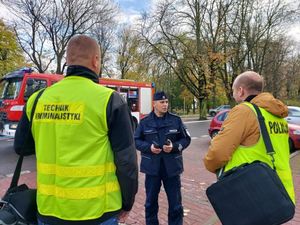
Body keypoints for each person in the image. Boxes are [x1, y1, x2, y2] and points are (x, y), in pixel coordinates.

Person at [14, 34, 138, 225]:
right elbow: (127, 162)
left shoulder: (37, 99)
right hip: (98, 211)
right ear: (95, 60)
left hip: (48, 210)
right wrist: (127, 203)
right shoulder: (110, 100)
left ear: (67, 60)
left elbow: (22, 147)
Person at [203, 71, 295, 203]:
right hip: (280, 192)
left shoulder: (244, 111)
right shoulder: (279, 116)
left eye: (234, 91)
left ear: (241, 91)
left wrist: (209, 164)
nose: (234, 95)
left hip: (252, 193)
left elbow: (218, 153)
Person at [134, 91, 191, 225]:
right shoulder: (144, 122)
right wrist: (149, 148)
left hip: (172, 169)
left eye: (166, 102)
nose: (165, 105)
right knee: (150, 203)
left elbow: (186, 139)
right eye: (162, 102)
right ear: (154, 104)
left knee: (176, 204)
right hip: (152, 169)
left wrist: (175, 146)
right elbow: (136, 140)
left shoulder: (175, 120)